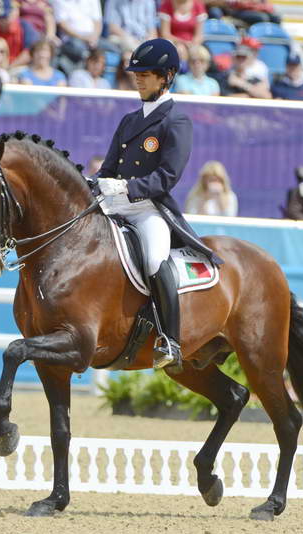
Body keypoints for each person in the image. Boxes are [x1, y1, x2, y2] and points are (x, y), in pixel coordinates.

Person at [94, 38, 223, 371]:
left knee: (154, 259)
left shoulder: (176, 122)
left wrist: (127, 186)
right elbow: (108, 168)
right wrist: (95, 184)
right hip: (114, 205)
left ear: (167, 76)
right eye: (136, 74)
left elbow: (167, 177)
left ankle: (170, 340)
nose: (138, 80)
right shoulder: (128, 121)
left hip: (148, 208)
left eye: (146, 74)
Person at [0, 0, 40, 68]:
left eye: (5, 17)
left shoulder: (24, 27)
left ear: (12, 15)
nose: (2, 21)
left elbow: (28, 53)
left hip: (19, 67)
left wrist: (9, 68)